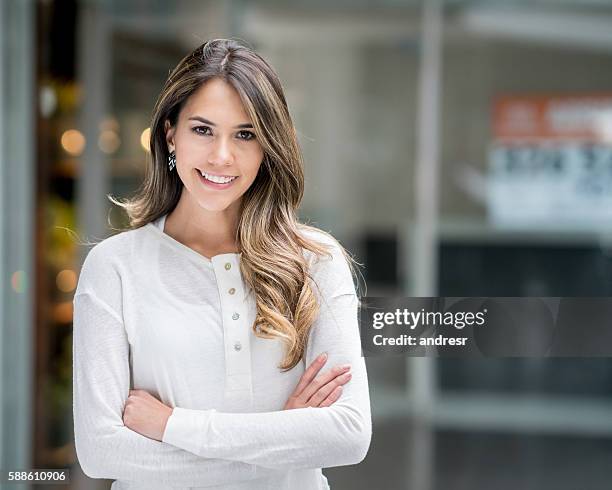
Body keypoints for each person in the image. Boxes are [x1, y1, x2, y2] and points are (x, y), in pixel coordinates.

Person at [72, 38, 371, 490]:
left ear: (268, 145)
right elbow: (101, 452)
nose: (221, 156)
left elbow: (348, 434)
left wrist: (174, 426)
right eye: (202, 129)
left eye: (245, 134)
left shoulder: (315, 261)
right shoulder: (114, 268)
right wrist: (283, 442)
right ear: (171, 133)